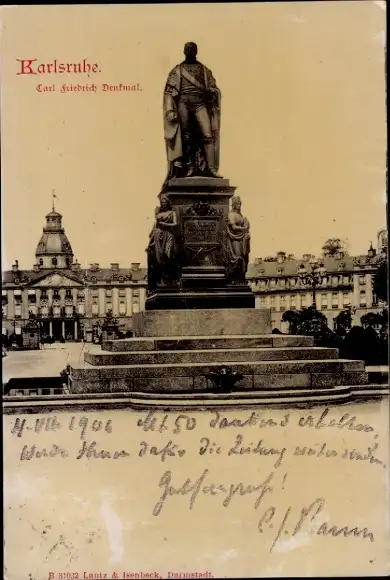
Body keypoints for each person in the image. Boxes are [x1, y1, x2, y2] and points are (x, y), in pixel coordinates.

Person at [163, 42, 222, 183]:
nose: (189, 51)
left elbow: (214, 87)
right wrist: (170, 109)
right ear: (183, 51)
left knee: (207, 135)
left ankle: (211, 168)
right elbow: (169, 92)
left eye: (192, 49)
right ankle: (189, 167)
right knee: (187, 136)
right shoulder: (177, 70)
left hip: (200, 103)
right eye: (187, 49)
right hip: (183, 103)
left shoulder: (205, 70)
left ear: (196, 51)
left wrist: (212, 91)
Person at [149, 195, 180, 287]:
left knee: (168, 254)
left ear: (168, 203)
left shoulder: (172, 213)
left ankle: (172, 277)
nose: (163, 204)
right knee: (159, 258)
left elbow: (175, 223)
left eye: (165, 202)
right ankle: (164, 279)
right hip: (159, 235)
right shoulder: (158, 214)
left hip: (168, 234)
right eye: (162, 202)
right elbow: (155, 227)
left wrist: (165, 224)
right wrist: (151, 239)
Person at [226, 196, 251, 284]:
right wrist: (244, 228)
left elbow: (244, 225)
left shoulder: (240, 215)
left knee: (244, 258)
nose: (239, 205)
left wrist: (246, 224)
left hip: (242, 239)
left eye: (240, 203)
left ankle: (241, 279)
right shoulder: (231, 214)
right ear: (233, 205)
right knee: (238, 257)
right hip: (235, 239)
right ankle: (234, 279)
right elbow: (234, 227)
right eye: (237, 204)